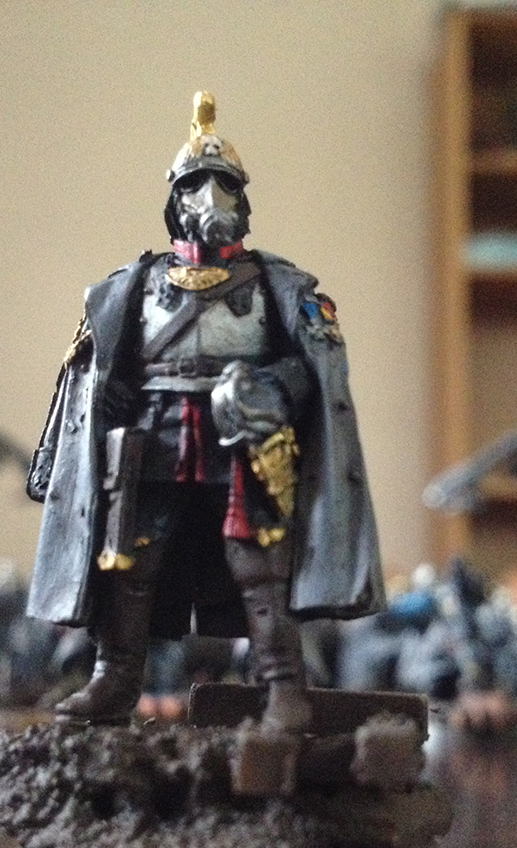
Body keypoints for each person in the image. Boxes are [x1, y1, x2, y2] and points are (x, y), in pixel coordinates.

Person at [26, 92, 383, 732]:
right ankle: (115, 680)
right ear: (174, 198)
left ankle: (282, 686)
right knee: (128, 562)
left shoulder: (277, 285)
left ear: (242, 199)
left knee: (259, 565)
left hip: (244, 442)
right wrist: (109, 399)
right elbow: (95, 370)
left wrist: (271, 390)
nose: (209, 196)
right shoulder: (133, 286)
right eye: (194, 183)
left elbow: (312, 371)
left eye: (224, 184)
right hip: (151, 444)